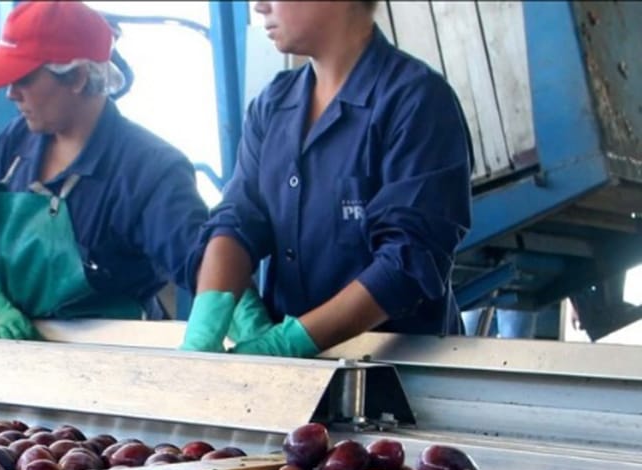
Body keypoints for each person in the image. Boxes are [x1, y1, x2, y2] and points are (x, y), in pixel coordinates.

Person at [181, 1, 473, 357]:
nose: (259, 6)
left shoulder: (415, 101)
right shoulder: (272, 105)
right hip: (291, 385)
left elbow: (408, 262)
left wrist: (291, 344)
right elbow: (237, 220)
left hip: (396, 375)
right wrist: (204, 329)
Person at [0, 1, 208, 339]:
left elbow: (205, 269)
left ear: (77, 76)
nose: (11, 94)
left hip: (114, 357)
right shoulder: (13, 144)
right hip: (16, 348)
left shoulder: (150, 169)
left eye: (24, 78)